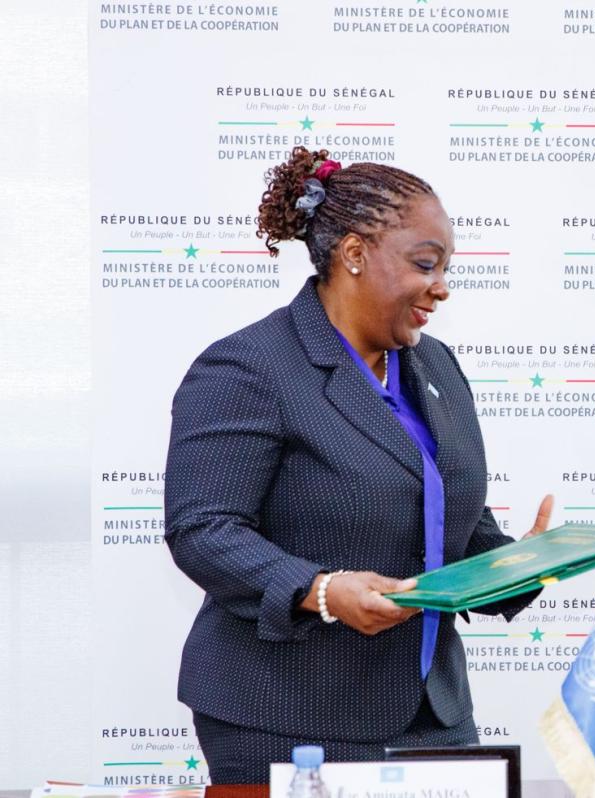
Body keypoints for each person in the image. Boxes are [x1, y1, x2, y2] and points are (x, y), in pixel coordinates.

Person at [164, 147, 552, 782]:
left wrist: (520, 563)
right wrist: (321, 591)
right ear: (353, 254)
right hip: (287, 717)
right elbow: (203, 530)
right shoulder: (247, 368)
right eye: (425, 264)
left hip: (436, 715)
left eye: (446, 267)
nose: (442, 287)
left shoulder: (437, 367)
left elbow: (447, 514)